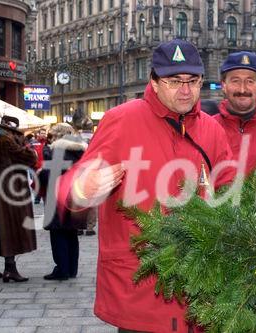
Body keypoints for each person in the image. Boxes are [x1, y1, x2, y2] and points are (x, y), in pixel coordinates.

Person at [55, 39, 234, 332]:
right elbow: (73, 185)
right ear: (153, 81)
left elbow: (228, 189)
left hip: (199, 292)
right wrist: (81, 190)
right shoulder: (121, 120)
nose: (186, 90)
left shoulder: (211, 129)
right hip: (141, 291)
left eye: (193, 81)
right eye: (175, 81)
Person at [39, 123, 88, 280]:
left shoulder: (57, 152)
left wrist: (40, 174)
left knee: (58, 233)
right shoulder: (81, 151)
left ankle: (62, 270)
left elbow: (49, 175)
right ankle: (72, 269)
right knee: (72, 233)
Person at [0, 116, 37, 282]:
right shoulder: (8, 142)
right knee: (9, 229)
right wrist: (27, 148)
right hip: (10, 191)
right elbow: (30, 159)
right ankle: (10, 268)